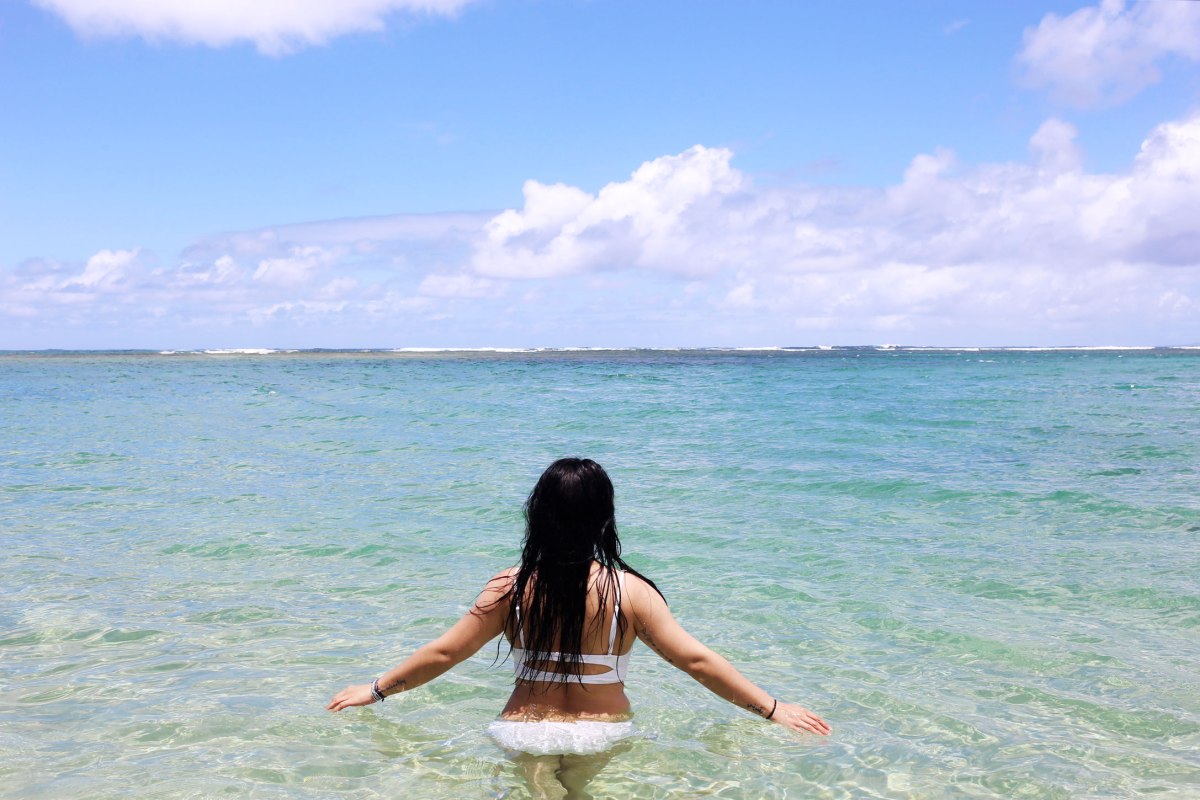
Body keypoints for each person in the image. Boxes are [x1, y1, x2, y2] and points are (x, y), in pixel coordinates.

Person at [328, 458, 830, 795]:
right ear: (604, 517)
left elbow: (444, 654)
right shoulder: (630, 591)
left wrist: (374, 690)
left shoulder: (511, 587)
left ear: (538, 514)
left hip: (522, 730)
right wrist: (772, 708)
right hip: (600, 732)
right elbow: (696, 661)